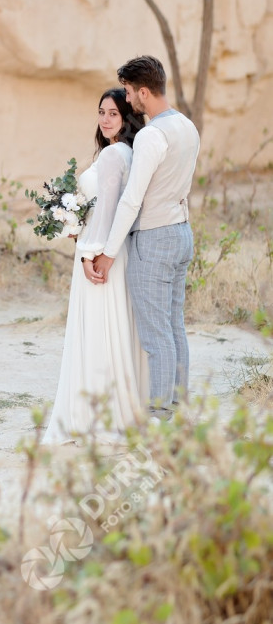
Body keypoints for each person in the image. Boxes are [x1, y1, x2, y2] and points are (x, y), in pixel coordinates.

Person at [90, 56, 200, 422]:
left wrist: (108, 252)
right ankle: (179, 406)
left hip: (154, 238)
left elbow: (132, 199)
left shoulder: (153, 134)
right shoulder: (187, 126)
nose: (126, 99)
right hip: (181, 231)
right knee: (174, 326)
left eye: (127, 92)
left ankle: (160, 413)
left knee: (156, 336)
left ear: (142, 92)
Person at [43, 88, 149, 444]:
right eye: (101, 112)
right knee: (113, 329)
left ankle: (98, 417)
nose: (105, 119)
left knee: (99, 331)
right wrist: (73, 221)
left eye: (113, 113)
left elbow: (106, 211)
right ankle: (118, 410)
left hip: (102, 256)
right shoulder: (130, 152)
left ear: (127, 117)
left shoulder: (113, 155)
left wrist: (89, 253)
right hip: (119, 251)